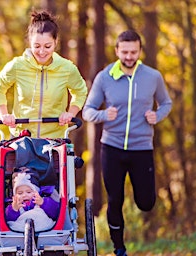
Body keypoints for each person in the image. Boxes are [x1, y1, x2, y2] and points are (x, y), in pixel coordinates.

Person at [82, 30, 172, 256]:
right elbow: (87, 111)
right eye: (125, 52)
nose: (129, 56)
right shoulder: (105, 77)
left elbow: (166, 103)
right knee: (115, 199)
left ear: (140, 51)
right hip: (111, 147)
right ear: (117, 51)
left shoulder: (153, 77)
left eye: (133, 52)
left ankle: (128, 235)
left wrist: (157, 116)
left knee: (146, 202)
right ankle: (119, 248)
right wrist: (104, 116)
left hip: (142, 148)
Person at [0, 10, 87, 138]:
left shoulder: (67, 68)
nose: (42, 52)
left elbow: (80, 91)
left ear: (55, 42)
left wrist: (70, 113)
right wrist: (4, 115)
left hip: (55, 138)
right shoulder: (17, 65)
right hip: (22, 136)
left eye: (47, 46)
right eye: (36, 46)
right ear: (30, 43)